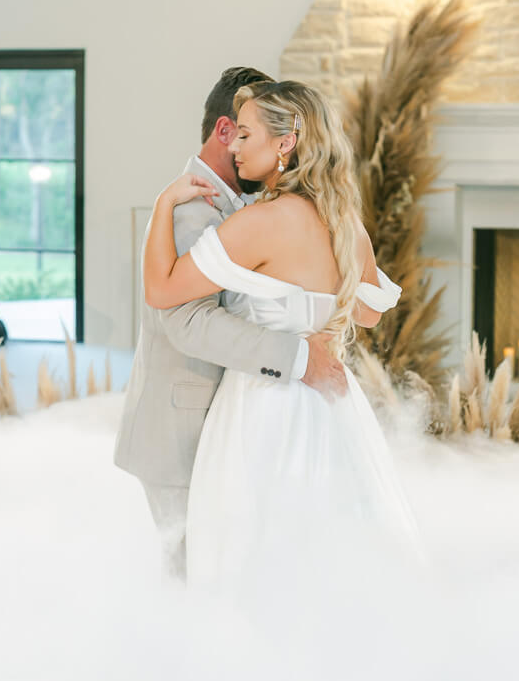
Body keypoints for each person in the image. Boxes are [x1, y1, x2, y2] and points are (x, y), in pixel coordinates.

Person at [143, 79, 423, 607]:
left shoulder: (261, 223)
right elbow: (365, 311)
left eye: (245, 134)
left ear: (285, 143)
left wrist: (164, 205)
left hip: (262, 408)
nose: (233, 146)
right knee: (332, 547)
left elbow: (162, 290)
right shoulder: (347, 226)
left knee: (252, 554)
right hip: (335, 408)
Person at [113, 68, 346, 581]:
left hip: (241, 418)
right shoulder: (189, 208)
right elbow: (186, 321)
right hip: (183, 428)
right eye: (240, 133)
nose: (243, 146)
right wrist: (299, 358)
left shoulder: (258, 206)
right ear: (225, 131)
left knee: (235, 570)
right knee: (193, 577)